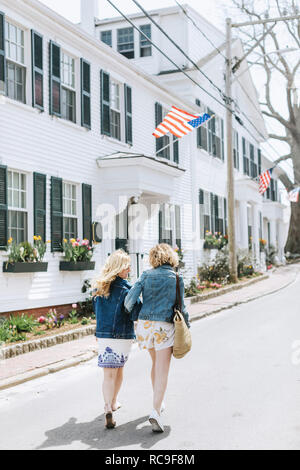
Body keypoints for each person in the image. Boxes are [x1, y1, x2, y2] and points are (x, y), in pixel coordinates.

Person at [124, 243, 190, 433]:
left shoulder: (145, 275)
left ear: (153, 258)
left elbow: (129, 301)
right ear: (171, 257)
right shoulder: (176, 278)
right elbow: (182, 307)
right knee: (163, 370)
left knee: (154, 363)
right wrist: (187, 327)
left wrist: (136, 313)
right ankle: (155, 411)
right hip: (164, 327)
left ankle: (158, 402)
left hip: (145, 326)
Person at [92, 249, 141, 429]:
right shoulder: (128, 289)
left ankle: (107, 407)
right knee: (119, 370)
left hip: (104, 336)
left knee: (107, 374)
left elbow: (97, 313)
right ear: (120, 268)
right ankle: (113, 403)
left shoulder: (99, 288)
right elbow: (135, 312)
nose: (129, 270)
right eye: (127, 267)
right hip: (123, 337)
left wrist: (99, 332)